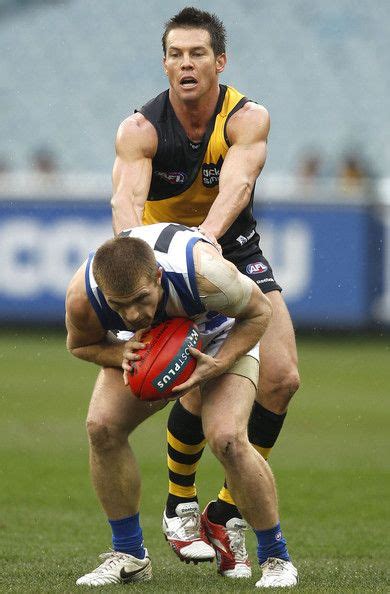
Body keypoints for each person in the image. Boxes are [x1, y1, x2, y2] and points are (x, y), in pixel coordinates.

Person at [110, 6, 300, 578]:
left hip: (230, 252)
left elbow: (239, 182)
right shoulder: (140, 129)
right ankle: (179, 500)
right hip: (162, 266)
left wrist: (207, 242)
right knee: (190, 375)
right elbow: (126, 203)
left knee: (284, 377)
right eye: (176, 54)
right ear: (165, 63)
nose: (186, 63)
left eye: (197, 53)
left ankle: (223, 509)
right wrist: (135, 258)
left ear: (220, 61)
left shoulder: (246, 118)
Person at [65, 223, 298, 588]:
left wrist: (219, 365)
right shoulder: (84, 294)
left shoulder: (206, 274)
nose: (132, 315)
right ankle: (129, 555)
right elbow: (79, 345)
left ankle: (275, 558)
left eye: (141, 299)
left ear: (158, 276)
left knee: (228, 440)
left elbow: (259, 312)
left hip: (222, 336)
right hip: (148, 346)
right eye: (119, 306)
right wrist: (117, 351)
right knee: (102, 428)